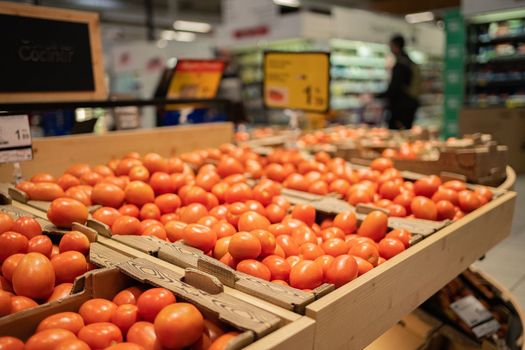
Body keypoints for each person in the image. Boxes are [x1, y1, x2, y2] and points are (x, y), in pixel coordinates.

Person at [377, 34, 420, 129]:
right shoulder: (409, 62)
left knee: (396, 134)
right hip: (410, 104)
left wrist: (377, 96)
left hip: (401, 106)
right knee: (406, 131)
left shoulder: (400, 64)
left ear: (395, 46)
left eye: (391, 46)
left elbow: (394, 87)